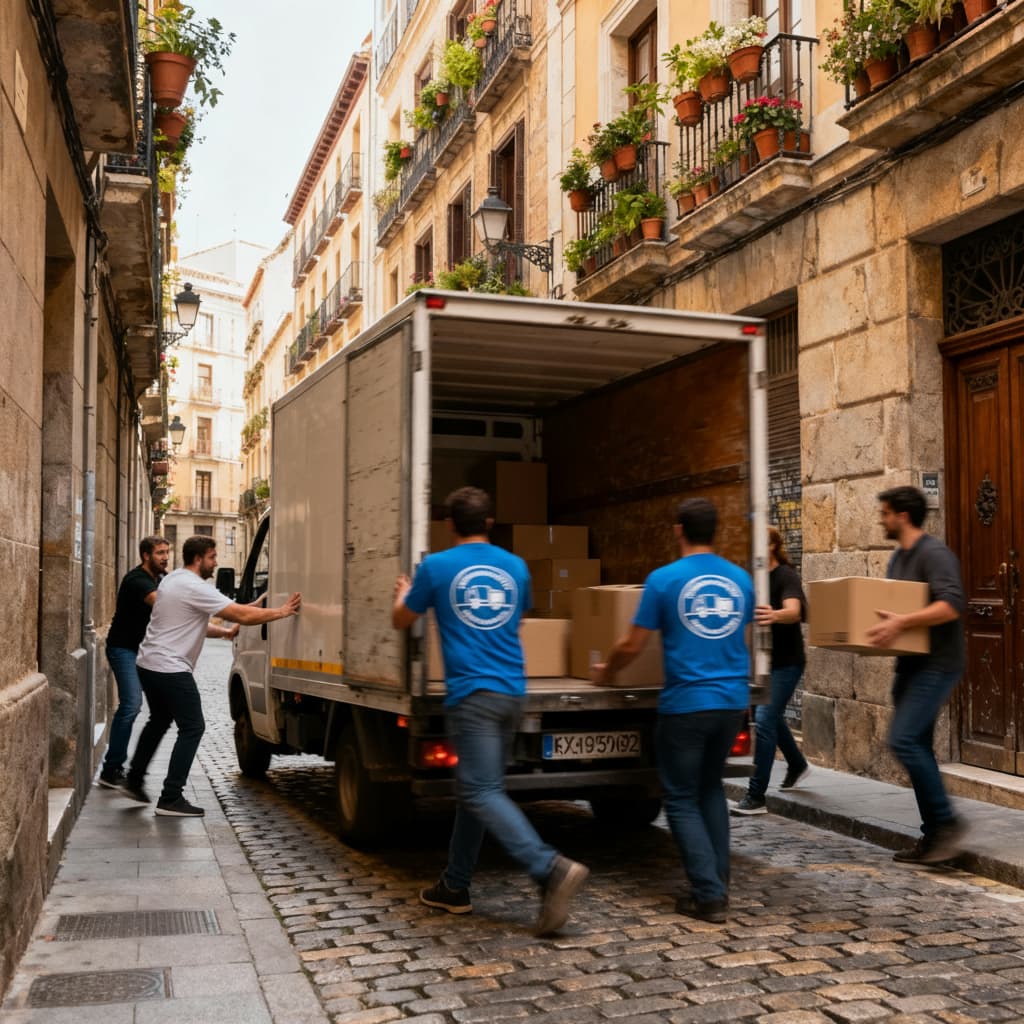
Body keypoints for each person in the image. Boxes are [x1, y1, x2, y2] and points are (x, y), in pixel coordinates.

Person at [392, 486, 589, 937]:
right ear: (489, 523)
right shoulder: (516, 567)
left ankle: (549, 868)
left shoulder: (436, 567)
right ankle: (455, 886)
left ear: (448, 524)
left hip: (473, 696)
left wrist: (404, 593)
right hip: (511, 693)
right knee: (477, 792)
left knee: (480, 792)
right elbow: (516, 621)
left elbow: (402, 620)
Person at [593, 497, 753, 924]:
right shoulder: (740, 580)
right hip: (731, 701)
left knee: (681, 798)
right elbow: (744, 637)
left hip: (687, 705)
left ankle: (707, 894)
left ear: (678, 529)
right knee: (710, 790)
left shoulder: (664, 580)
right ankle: (718, 882)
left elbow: (632, 644)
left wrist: (607, 671)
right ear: (715, 531)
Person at [121, 535, 301, 817]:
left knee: (160, 719)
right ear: (199, 558)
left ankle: (134, 778)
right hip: (169, 667)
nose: (216, 563)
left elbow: (193, 622)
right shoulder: (193, 586)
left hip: (149, 663)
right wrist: (281, 611)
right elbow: (239, 614)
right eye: (213, 557)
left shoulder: (173, 580)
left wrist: (232, 627)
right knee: (193, 727)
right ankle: (171, 797)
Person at [865, 485, 968, 864]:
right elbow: (894, 609)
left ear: (902, 516)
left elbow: (952, 604)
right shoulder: (898, 559)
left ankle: (948, 823)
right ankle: (935, 839)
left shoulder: (934, 554)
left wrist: (903, 622)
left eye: (885, 513)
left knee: (904, 740)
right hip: (908, 665)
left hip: (938, 664)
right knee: (916, 746)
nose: (881, 519)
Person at [732, 527, 810, 814]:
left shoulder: (786, 576)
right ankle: (798, 763)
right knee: (771, 716)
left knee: (764, 719)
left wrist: (772, 615)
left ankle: (755, 796)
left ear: (774, 546)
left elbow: (795, 611)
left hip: (787, 663)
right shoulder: (754, 579)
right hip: (761, 664)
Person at [99, 535, 170, 789]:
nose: (165, 557)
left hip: (144, 652)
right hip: (123, 649)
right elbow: (161, 604)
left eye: (166, 552)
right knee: (131, 704)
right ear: (146, 556)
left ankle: (131, 771)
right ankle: (111, 769)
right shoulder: (137, 581)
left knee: (159, 710)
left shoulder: (159, 579)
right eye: (160, 552)